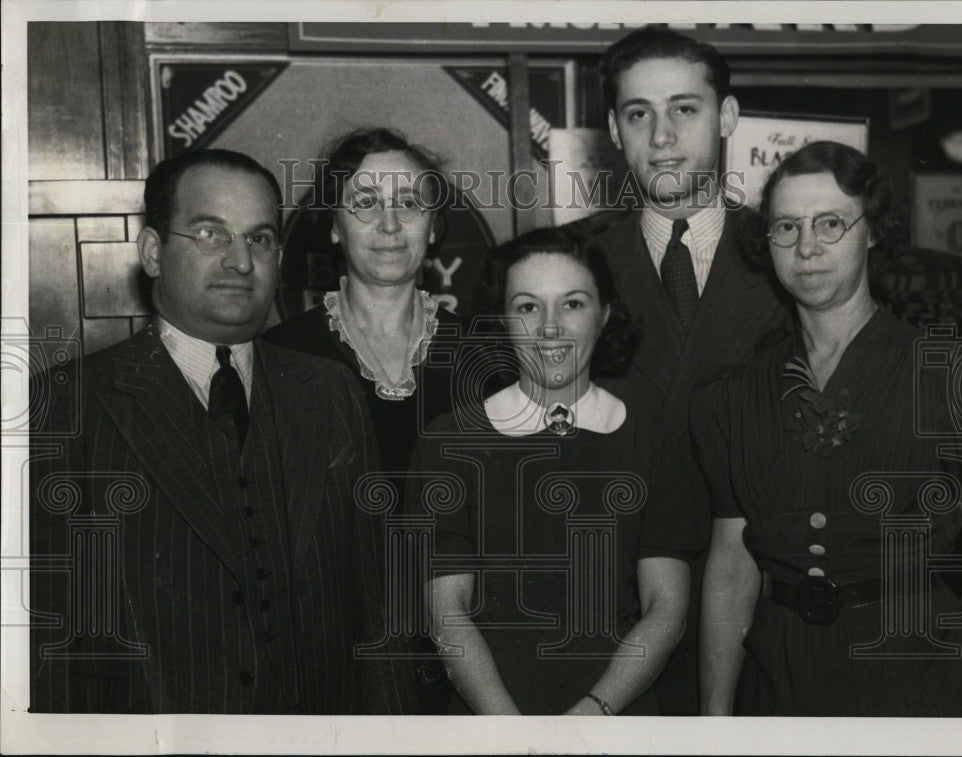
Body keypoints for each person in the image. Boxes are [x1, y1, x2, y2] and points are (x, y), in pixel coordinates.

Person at [30, 148, 416, 714]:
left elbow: (377, 612)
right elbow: (43, 638)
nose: (240, 261)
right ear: (154, 253)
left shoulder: (329, 392)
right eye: (211, 234)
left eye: (260, 239)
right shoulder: (67, 403)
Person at [694, 141, 962, 716]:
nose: (807, 247)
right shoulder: (734, 394)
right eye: (786, 227)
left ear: (872, 231)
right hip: (776, 682)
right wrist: (715, 717)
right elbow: (731, 565)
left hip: (917, 675)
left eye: (830, 223)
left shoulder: (949, 377)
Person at [409, 227, 699, 715]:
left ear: (605, 315)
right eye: (527, 306)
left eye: (572, 304)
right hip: (491, 722)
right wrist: (510, 731)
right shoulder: (449, 440)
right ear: (502, 320)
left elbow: (666, 611)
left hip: (618, 716)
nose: (549, 326)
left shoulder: (651, 441)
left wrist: (593, 713)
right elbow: (446, 610)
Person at [590, 24, 794, 714]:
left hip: (759, 624)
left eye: (685, 108)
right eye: (638, 113)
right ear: (613, 130)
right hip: (605, 623)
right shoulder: (569, 266)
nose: (662, 135)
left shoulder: (789, 264)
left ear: (727, 117)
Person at [263, 127, 474, 713]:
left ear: (434, 226)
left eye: (409, 203)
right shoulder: (280, 359)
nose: (388, 225)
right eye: (364, 203)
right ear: (333, 225)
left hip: (465, 666)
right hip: (327, 669)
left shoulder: (487, 357)